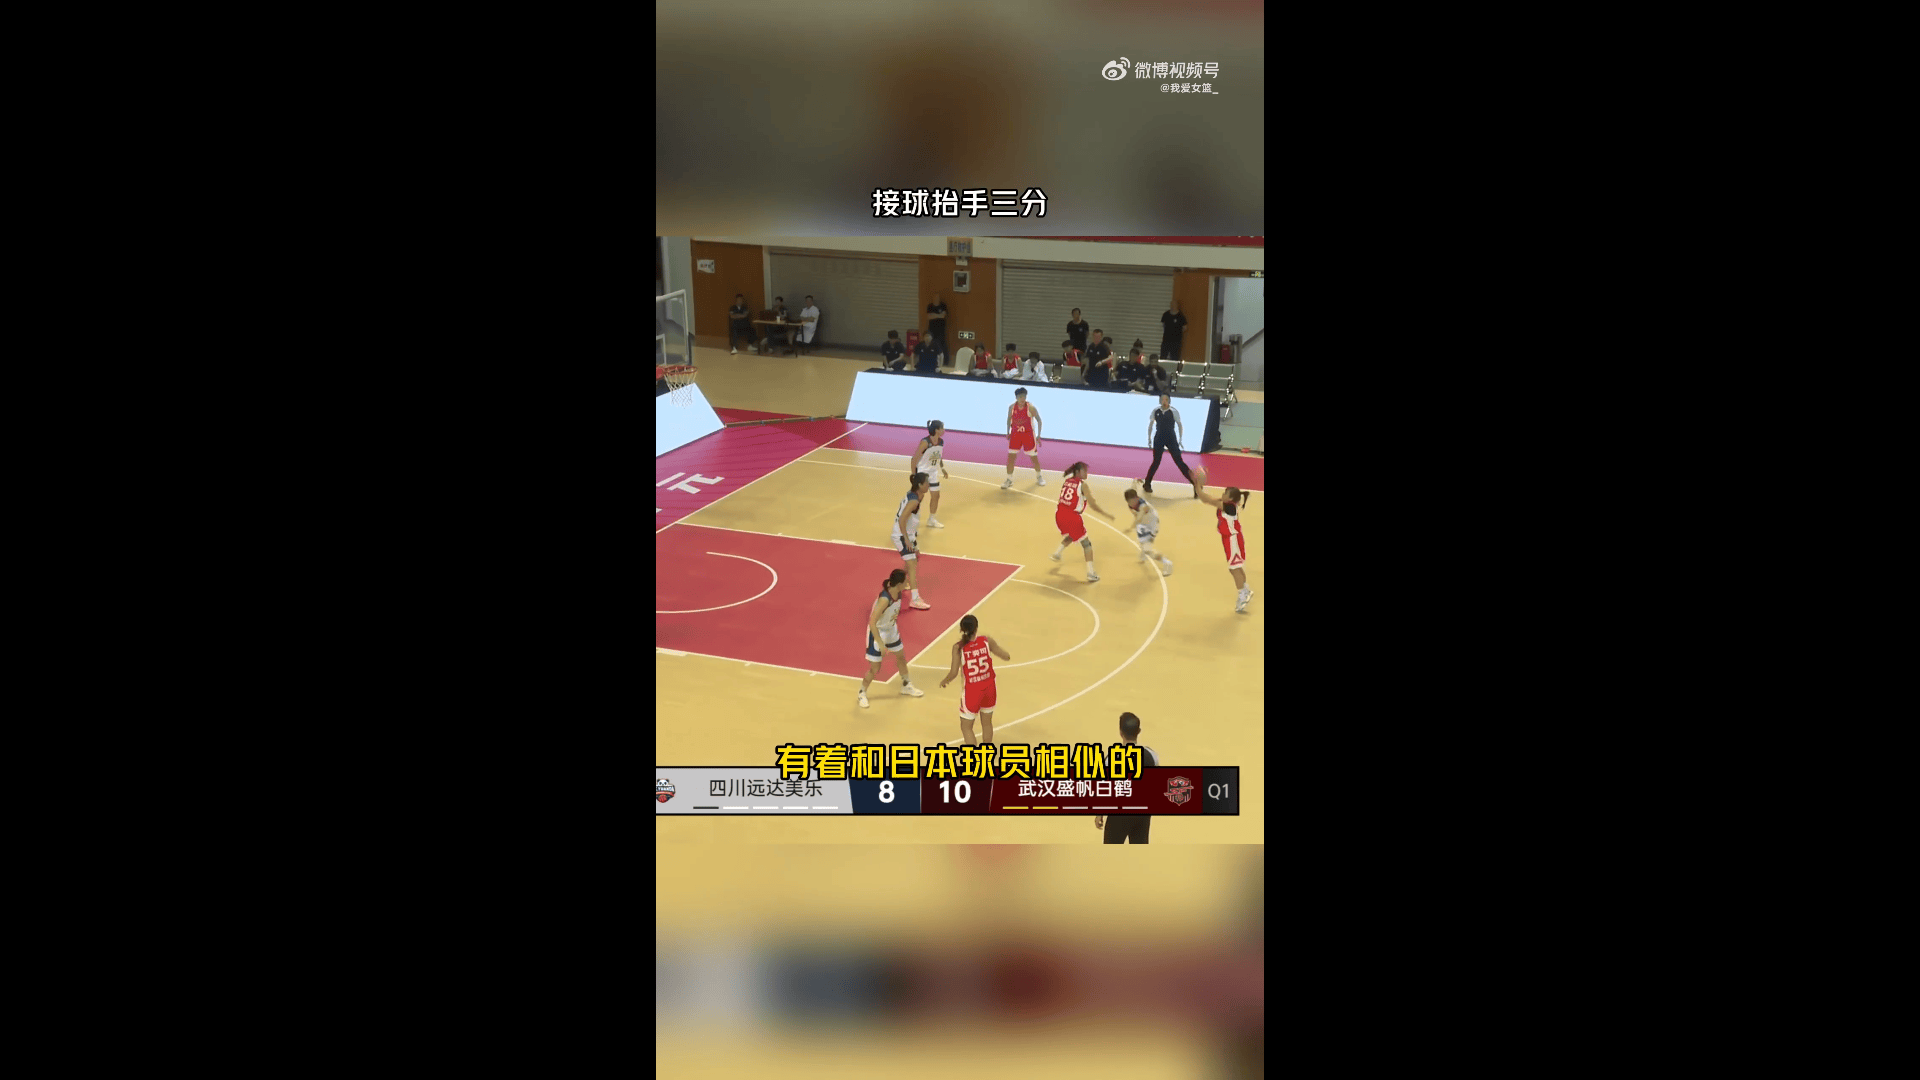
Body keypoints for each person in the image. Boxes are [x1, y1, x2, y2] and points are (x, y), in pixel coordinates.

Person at [939, 613, 1010, 746]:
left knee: (966, 727)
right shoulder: (986, 641)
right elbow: (1006, 656)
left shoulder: (958, 648)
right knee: (987, 723)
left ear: (961, 630)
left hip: (972, 692)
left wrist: (945, 681)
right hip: (989, 688)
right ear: (976, 628)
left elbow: (953, 673)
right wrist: (1004, 654)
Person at [858, 569, 923, 708]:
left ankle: (906, 684)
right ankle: (862, 692)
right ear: (898, 584)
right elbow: (872, 622)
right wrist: (881, 644)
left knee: (901, 657)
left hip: (891, 629)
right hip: (878, 632)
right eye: (905, 582)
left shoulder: (898, 592)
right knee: (875, 668)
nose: (907, 583)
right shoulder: (884, 599)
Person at [1095, 713, 1160, 844]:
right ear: (1139, 731)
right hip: (1142, 814)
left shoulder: (1111, 758)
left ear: (1120, 733)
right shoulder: (1151, 755)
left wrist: (1099, 813)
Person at [1048, 462, 1115, 583]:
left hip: (1059, 515)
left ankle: (1057, 554)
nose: (1087, 473)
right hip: (1072, 517)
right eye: (1085, 471)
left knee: (1072, 534)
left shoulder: (1067, 481)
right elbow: (1093, 505)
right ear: (1078, 471)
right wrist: (1106, 514)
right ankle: (1091, 573)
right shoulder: (1083, 485)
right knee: (1087, 544)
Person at [1196, 483, 1254, 613]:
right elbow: (1207, 499)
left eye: (1225, 493)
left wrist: (1197, 485)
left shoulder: (1229, 507)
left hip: (1233, 540)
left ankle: (1242, 593)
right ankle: (1245, 589)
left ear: (1231, 498)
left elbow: (1206, 499)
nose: (1222, 494)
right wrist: (1199, 488)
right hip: (1230, 539)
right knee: (1235, 567)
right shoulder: (1226, 503)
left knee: (1234, 568)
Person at [892, 473, 934, 609]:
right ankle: (915, 599)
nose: (928, 484)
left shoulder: (916, 496)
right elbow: (902, 519)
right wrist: (906, 540)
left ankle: (898, 583)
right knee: (911, 564)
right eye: (926, 482)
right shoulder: (914, 501)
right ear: (920, 485)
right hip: (901, 535)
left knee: (914, 559)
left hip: (909, 534)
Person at [1141, 394, 1194, 495]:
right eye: (1162, 399)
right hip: (1159, 438)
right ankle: (1147, 483)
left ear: (1169, 400)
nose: (1164, 401)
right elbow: (1151, 425)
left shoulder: (1173, 411)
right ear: (1159, 400)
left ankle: (1195, 484)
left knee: (1179, 462)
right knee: (1156, 461)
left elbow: (1179, 425)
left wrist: (1180, 440)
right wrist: (1149, 438)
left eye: (1166, 399)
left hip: (1171, 438)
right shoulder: (1156, 411)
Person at [1123, 488, 1174, 575]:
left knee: (1148, 550)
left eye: (1132, 501)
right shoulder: (1131, 504)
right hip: (1144, 523)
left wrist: (1130, 528)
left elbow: (1138, 518)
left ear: (1137, 498)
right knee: (1142, 541)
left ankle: (1167, 563)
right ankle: (1143, 554)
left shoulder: (1144, 506)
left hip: (1152, 525)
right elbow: (1136, 516)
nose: (1131, 503)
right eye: (1129, 502)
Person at [909, 421, 950, 528]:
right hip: (923, 472)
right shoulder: (925, 442)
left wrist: (942, 468)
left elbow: (938, 456)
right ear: (937, 430)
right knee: (919, 497)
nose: (944, 430)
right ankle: (911, 520)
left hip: (933, 472)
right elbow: (914, 459)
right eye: (942, 428)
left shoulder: (941, 442)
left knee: (936, 496)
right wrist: (914, 475)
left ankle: (931, 519)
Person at [1002, 388, 1045, 488]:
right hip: (1015, 435)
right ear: (1016, 397)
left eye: (1024, 397)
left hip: (1028, 436)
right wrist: (1008, 432)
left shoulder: (1031, 408)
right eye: (1020, 397)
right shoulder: (1012, 407)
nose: (1022, 399)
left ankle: (1039, 476)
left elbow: (1039, 420)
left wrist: (1039, 435)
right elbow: (1008, 419)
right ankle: (1009, 479)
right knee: (1011, 458)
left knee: (1034, 458)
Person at [1160, 299, 1188, 366]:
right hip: (1166, 340)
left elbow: (1185, 328)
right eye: (1171, 304)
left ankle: (1174, 370)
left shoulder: (1181, 316)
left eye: (1174, 305)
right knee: (1163, 357)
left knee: (1175, 358)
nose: (1172, 306)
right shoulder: (1166, 314)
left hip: (1176, 342)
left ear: (1177, 306)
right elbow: (1162, 325)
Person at [926, 292, 950, 361]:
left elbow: (943, 316)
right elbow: (929, 317)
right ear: (933, 298)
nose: (936, 299)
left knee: (942, 344)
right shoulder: (930, 306)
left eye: (938, 298)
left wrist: (934, 315)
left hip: (941, 329)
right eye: (935, 297)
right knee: (931, 343)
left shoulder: (943, 306)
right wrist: (939, 315)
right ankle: (931, 359)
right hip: (932, 329)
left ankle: (945, 360)